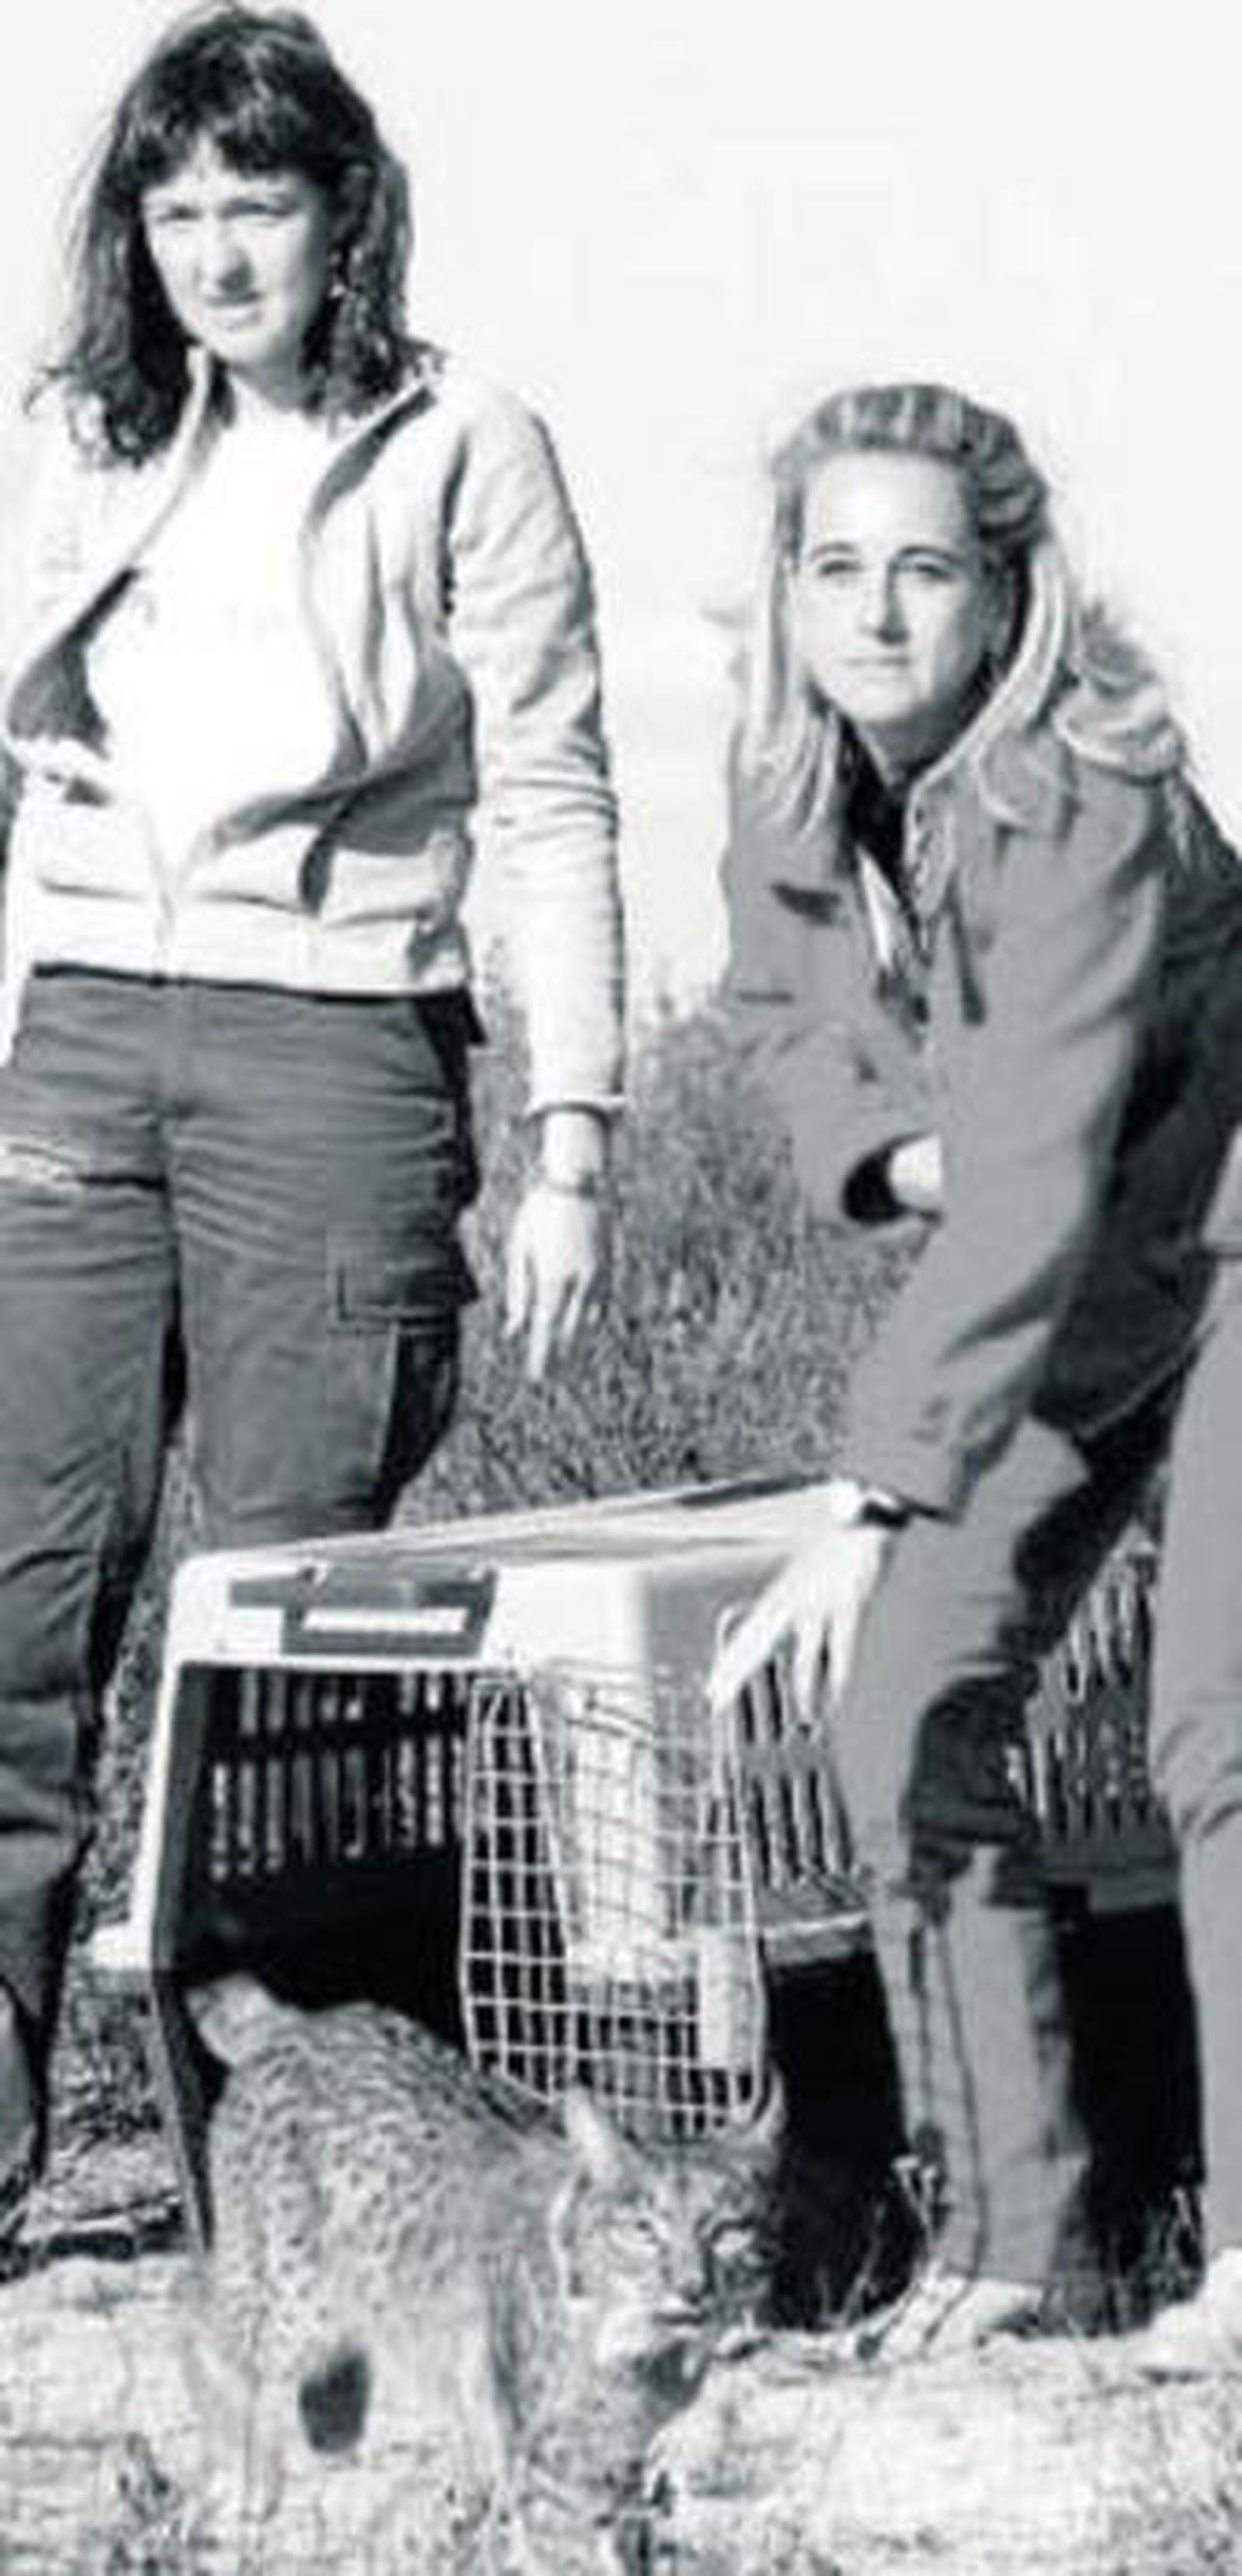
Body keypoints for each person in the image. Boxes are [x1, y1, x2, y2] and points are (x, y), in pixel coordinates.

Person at [0, 4, 623, 2217]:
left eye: (255, 204)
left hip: (337, 1049)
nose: (212, 254)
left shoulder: (469, 440)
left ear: (343, 208)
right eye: (172, 210)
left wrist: (570, 1140)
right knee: (19, 1605)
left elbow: (549, 786)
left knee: (288, 1647)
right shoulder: (81, 426)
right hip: (80, 1029)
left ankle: (325, 2169)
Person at [709, 380, 1242, 2361]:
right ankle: (1017, 2247)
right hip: (1067, 1285)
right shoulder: (789, 774)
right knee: (903, 1705)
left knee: (1218, 1727)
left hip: (1218, 1240)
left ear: (1002, 592)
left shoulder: (1079, 785)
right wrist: (886, 1146)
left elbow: (1034, 1176)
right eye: (833, 567)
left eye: (922, 569)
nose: (872, 612)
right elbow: (784, 1030)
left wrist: (868, 1487)